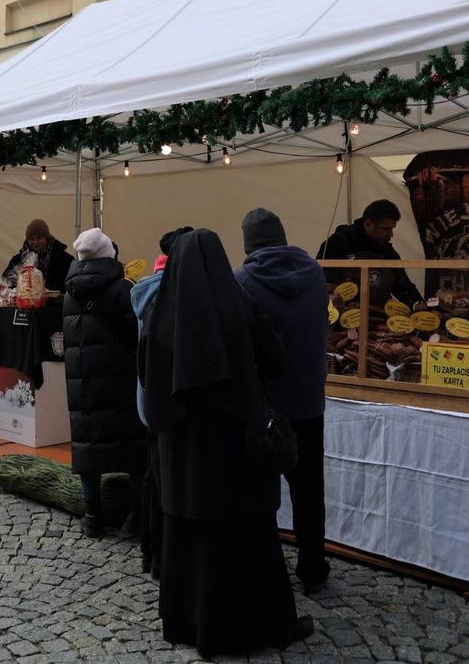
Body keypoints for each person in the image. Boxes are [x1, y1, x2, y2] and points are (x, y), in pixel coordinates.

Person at [142, 229, 313, 658]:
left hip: (181, 458)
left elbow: (149, 383)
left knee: (189, 542)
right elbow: (276, 361)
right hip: (237, 455)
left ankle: (187, 623)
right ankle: (257, 625)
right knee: (245, 544)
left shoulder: (160, 315)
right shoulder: (240, 309)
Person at [235, 208, 331, 595]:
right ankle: (312, 569)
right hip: (310, 399)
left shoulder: (241, 280)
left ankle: (263, 569)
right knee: (310, 490)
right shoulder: (316, 272)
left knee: (259, 491)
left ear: (248, 242)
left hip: (267, 404)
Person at [62, 227, 145, 539]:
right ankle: (136, 516)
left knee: (89, 447)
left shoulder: (69, 291)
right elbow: (134, 335)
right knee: (134, 446)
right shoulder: (122, 289)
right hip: (119, 377)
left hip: (82, 380)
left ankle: (92, 516)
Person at [131, 225, 193, 575]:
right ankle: (160, 554)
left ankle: (150, 551)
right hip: (167, 403)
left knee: (152, 475)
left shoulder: (142, 292)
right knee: (165, 479)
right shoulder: (173, 296)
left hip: (147, 400)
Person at [317, 199, 423, 306]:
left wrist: (418, 304)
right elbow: (318, 282)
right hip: (344, 317)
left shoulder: (387, 251)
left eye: (392, 228)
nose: (391, 234)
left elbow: (403, 286)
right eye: (386, 229)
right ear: (368, 223)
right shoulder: (337, 243)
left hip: (379, 316)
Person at [2, 218, 74, 293]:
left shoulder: (64, 259)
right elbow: (6, 281)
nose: (35, 242)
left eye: (39, 238)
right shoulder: (17, 260)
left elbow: (69, 285)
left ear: (47, 238)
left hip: (54, 303)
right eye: (31, 239)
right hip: (24, 302)